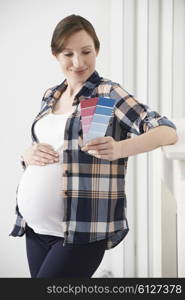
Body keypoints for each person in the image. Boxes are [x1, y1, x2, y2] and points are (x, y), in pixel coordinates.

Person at [9, 14, 178, 278]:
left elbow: (166, 131)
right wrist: (27, 155)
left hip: (80, 233)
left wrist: (122, 148)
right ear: (55, 55)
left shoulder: (107, 94)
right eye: (68, 54)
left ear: (97, 50)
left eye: (86, 51)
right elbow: (50, 147)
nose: (78, 62)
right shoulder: (50, 95)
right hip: (35, 230)